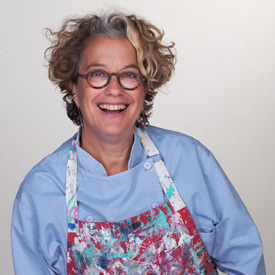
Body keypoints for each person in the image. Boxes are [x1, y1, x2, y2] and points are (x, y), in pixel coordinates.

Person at [11, 11, 266, 275]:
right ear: (74, 87)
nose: (114, 89)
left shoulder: (191, 160)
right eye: (98, 73)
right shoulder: (40, 193)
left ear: (146, 87)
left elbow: (246, 261)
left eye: (129, 75)